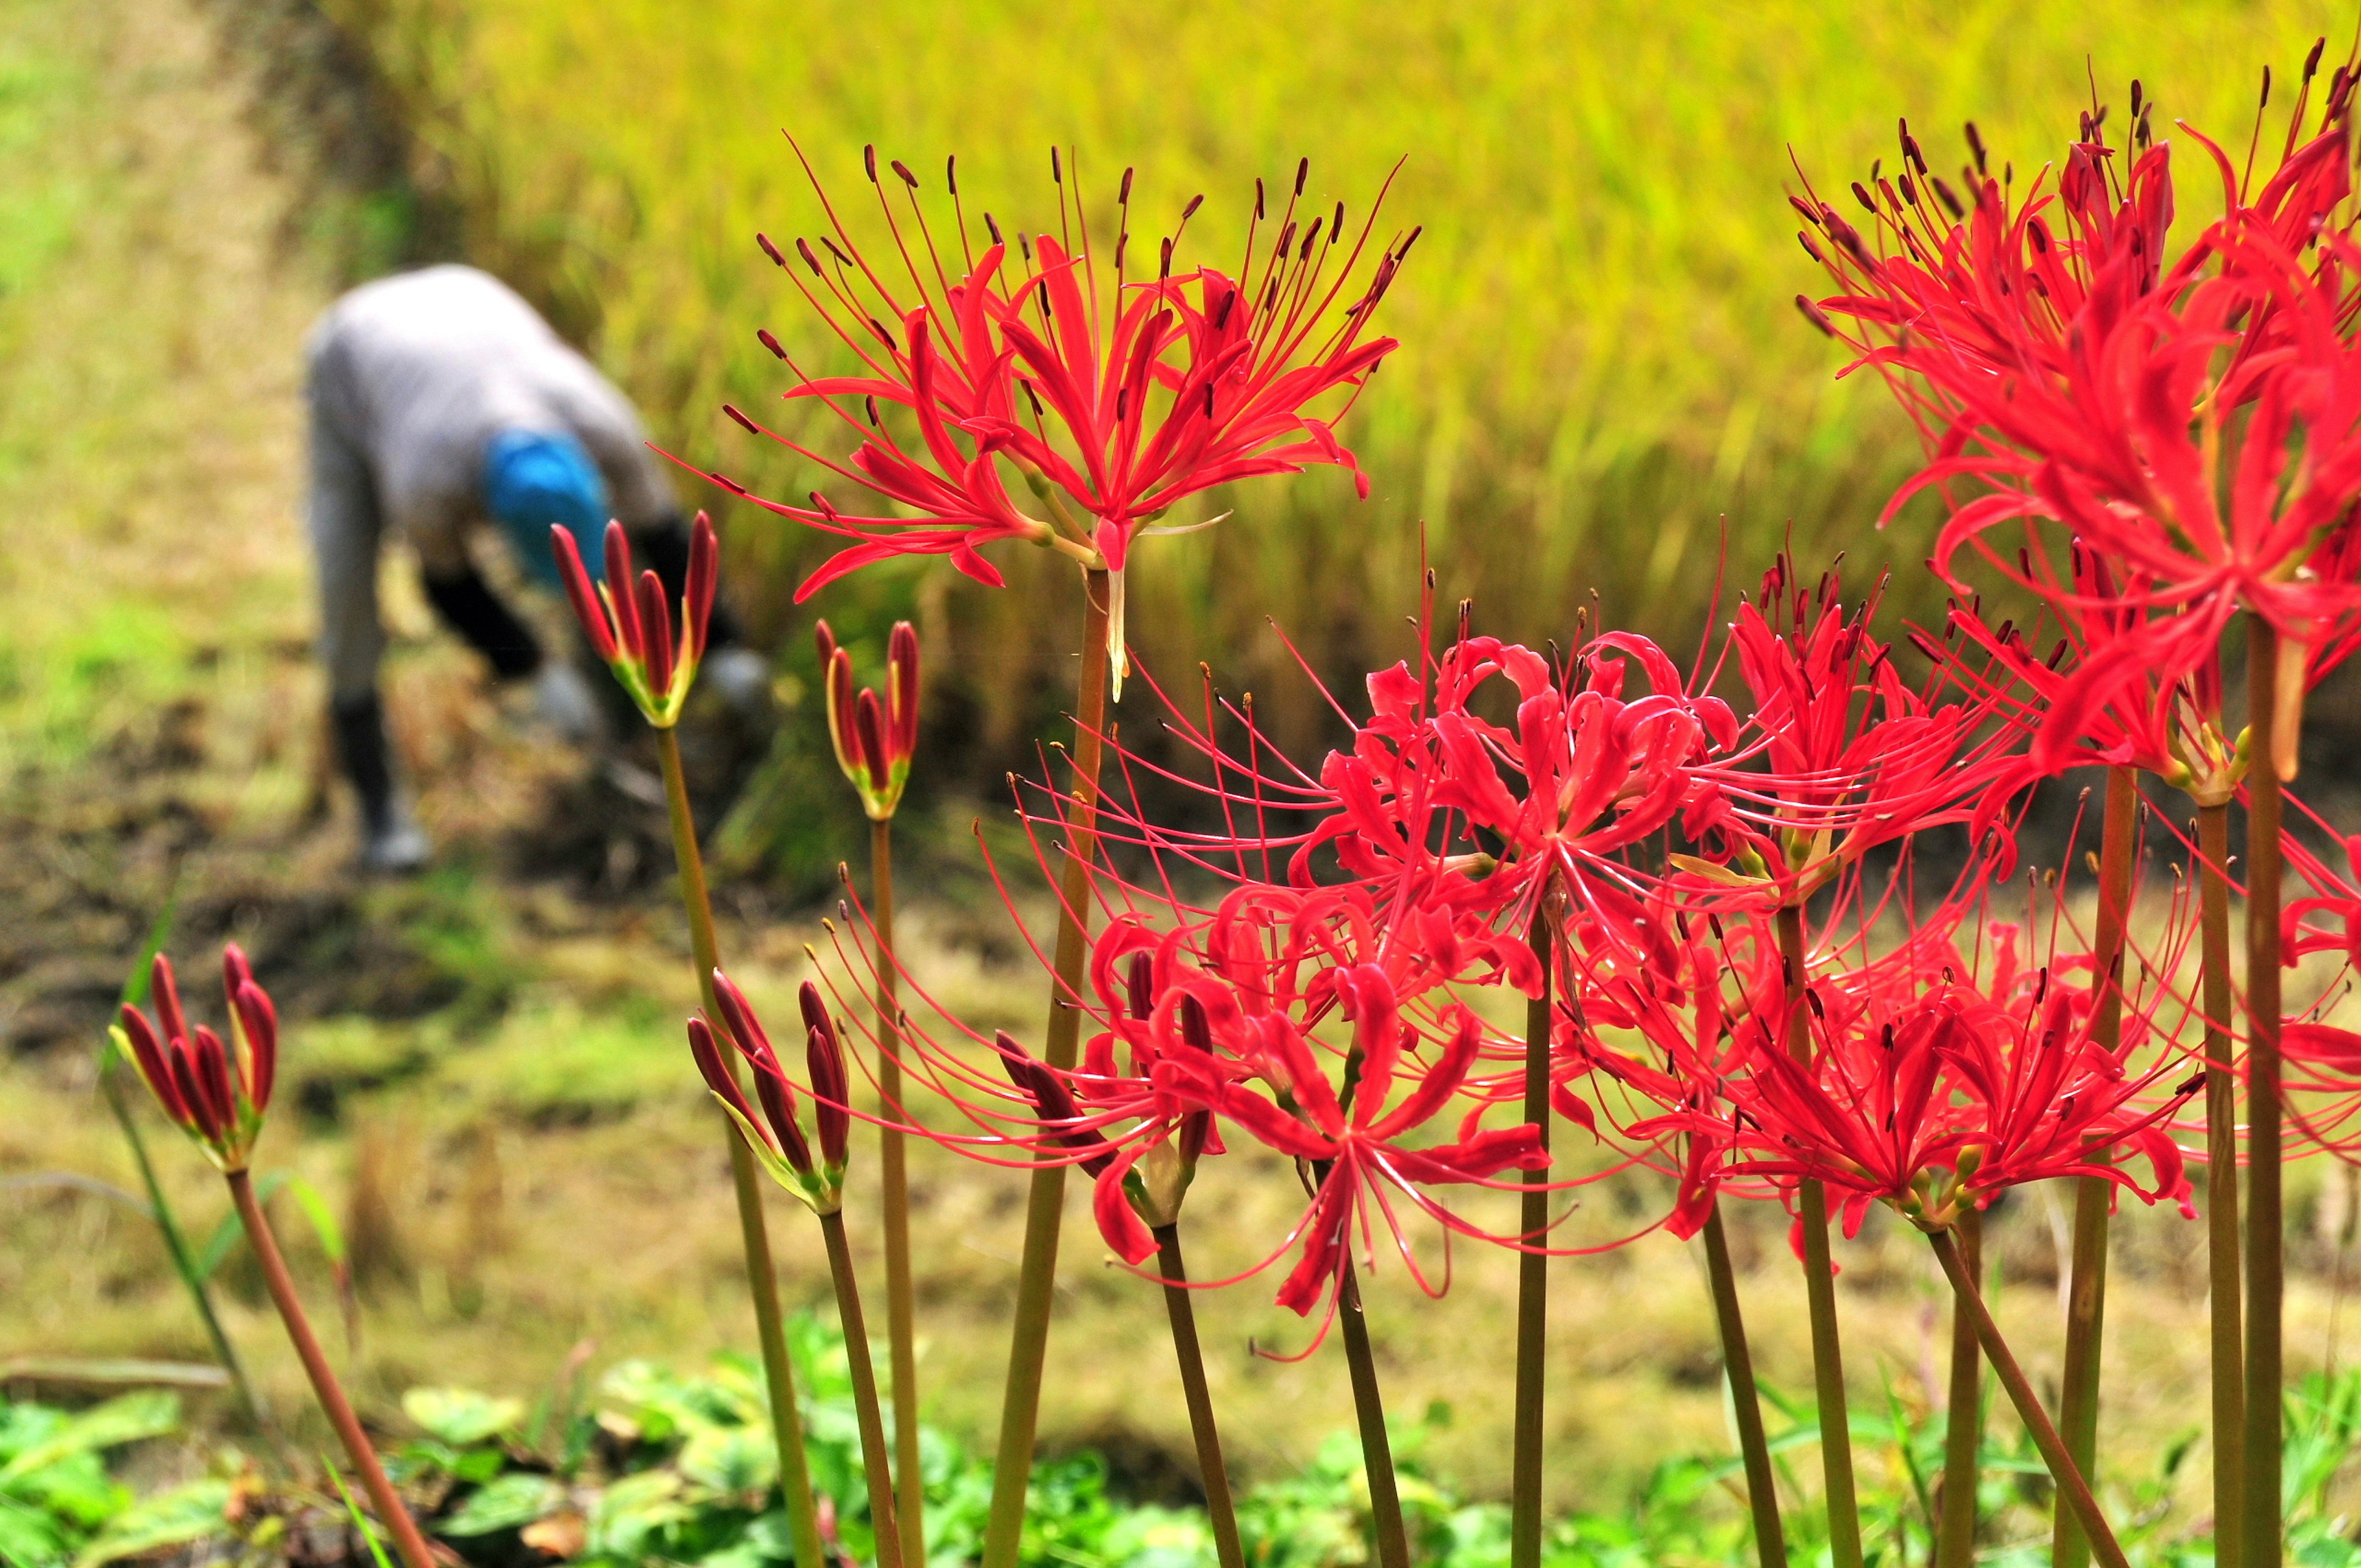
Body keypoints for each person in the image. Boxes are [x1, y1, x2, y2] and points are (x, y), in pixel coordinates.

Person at [303, 264, 761, 870]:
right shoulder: (425, 481)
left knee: (615, 583)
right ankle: (382, 815)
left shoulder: (606, 426)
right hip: (352, 357)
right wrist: (532, 668)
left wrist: (725, 645)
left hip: (467, 299)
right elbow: (448, 586)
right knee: (347, 595)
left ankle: (622, 734)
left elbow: (665, 533)